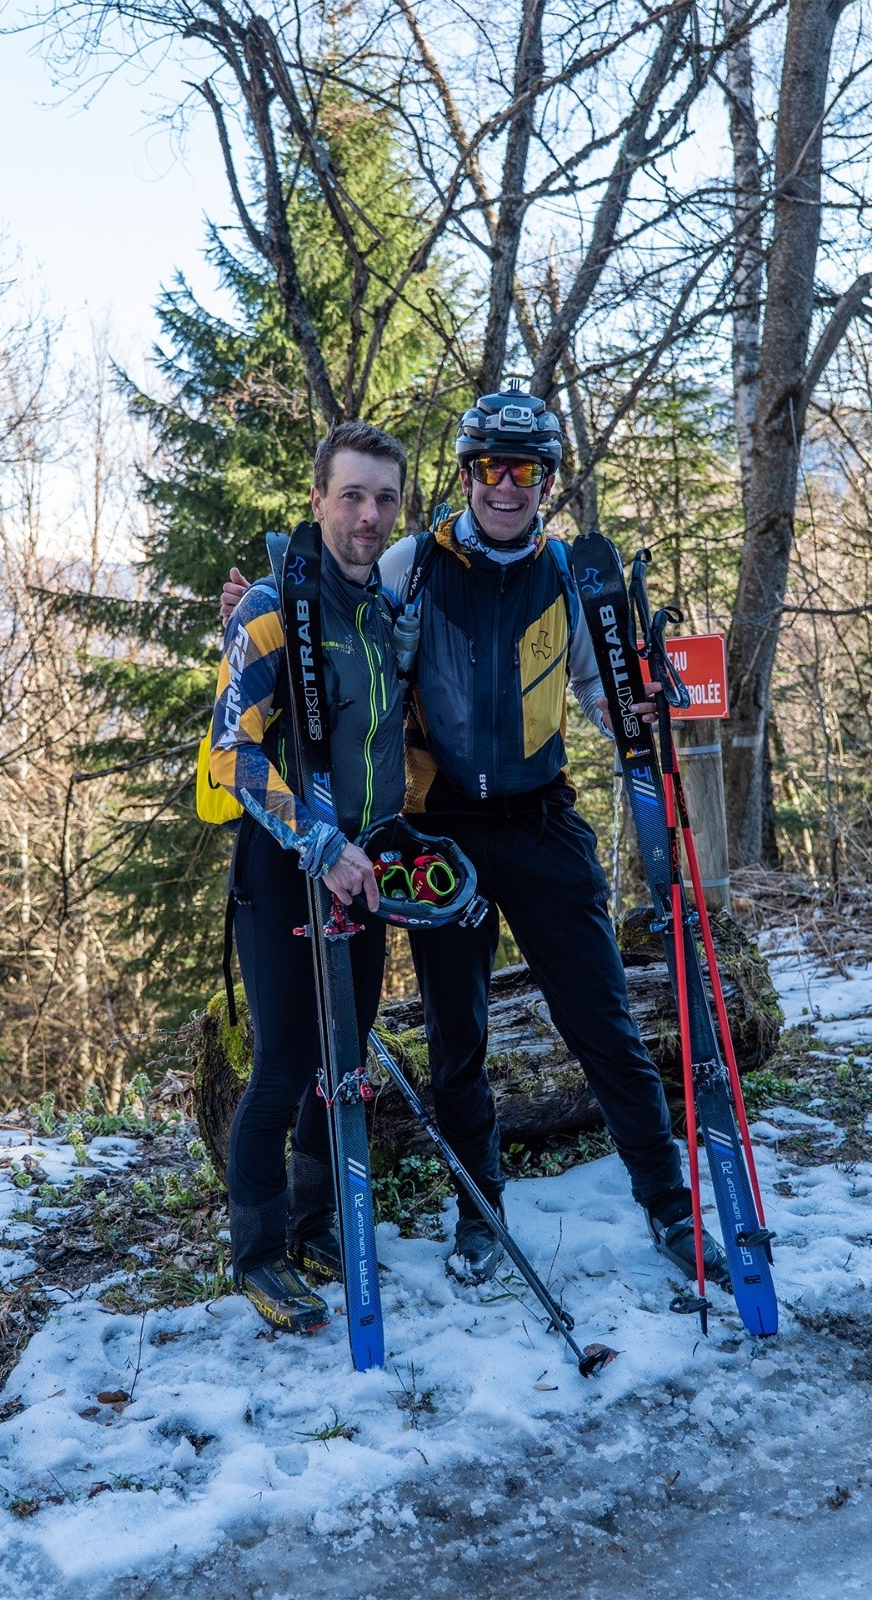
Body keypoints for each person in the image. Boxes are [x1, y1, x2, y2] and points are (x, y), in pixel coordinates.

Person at [222, 387, 728, 1294]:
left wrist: (639, 714)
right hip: (438, 824)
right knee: (457, 1036)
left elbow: (593, 688)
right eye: (490, 466)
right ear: (465, 474)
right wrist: (252, 604)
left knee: (602, 1019)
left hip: (540, 820)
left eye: (524, 469)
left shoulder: (568, 574)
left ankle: (669, 1202)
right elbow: (315, 626)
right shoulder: (414, 561)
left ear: (546, 482)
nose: (506, 485)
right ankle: (477, 1208)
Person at [209, 419, 407, 1332]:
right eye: (352, 495)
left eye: (383, 498)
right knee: (287, 1063)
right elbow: (232, 756)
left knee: (345, 1059)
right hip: (288, 869)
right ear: (319, 497)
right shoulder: (268, 609)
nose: (368, 516)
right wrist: (317, 846)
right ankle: (257, 1252)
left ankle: (319, 1218)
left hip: (365, 866)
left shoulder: (386, 614)